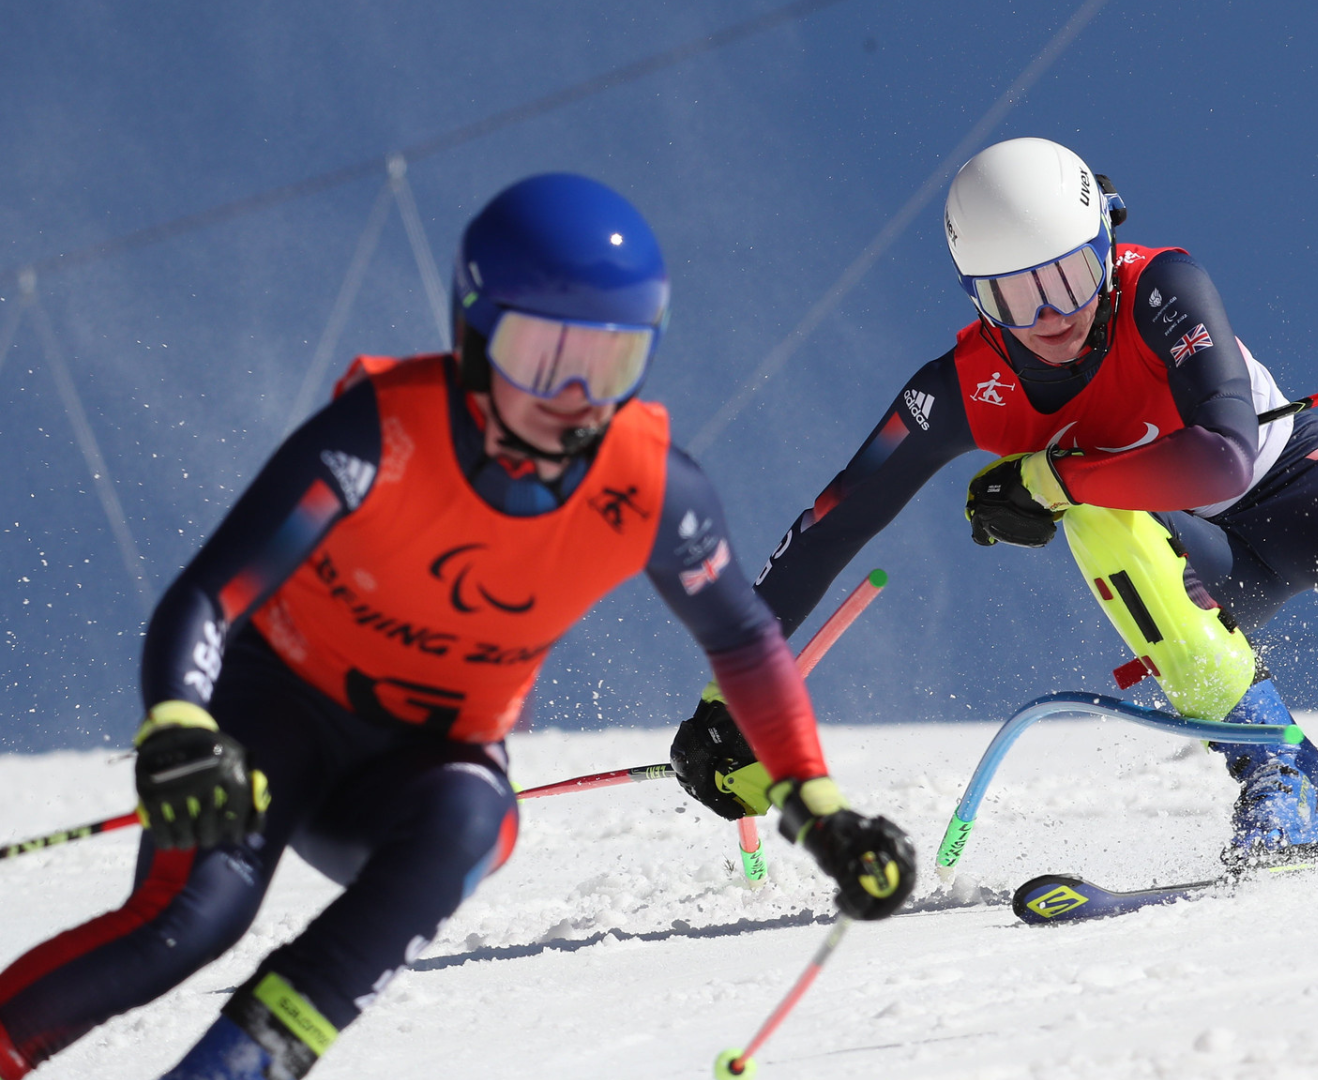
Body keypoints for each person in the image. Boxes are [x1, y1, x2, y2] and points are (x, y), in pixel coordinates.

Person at [0, 174, 914, 1080]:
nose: (572, 397)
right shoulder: (383, 430)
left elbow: (746, 644)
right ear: (474, 339)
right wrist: (178, 722)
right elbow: (213, 594)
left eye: (608, 366)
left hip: (422, 767)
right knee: (195, 918)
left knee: (479, 819)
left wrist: (817, 806)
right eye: (541, 357)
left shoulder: (651, 489)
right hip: (279, 713)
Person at [670, 137, 1318, 870]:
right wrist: (733, 702)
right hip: (1198, 565)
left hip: (1303, 491)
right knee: (1094, 522)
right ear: (978, 300)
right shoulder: (959, 389)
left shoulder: (1162, 288)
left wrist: (1050, 476)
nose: (1054, 312)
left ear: (1104, 241)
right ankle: (1285, 779)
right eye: (1019, 296)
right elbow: (835, 523)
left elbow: (1220, 458)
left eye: (1071, 274)